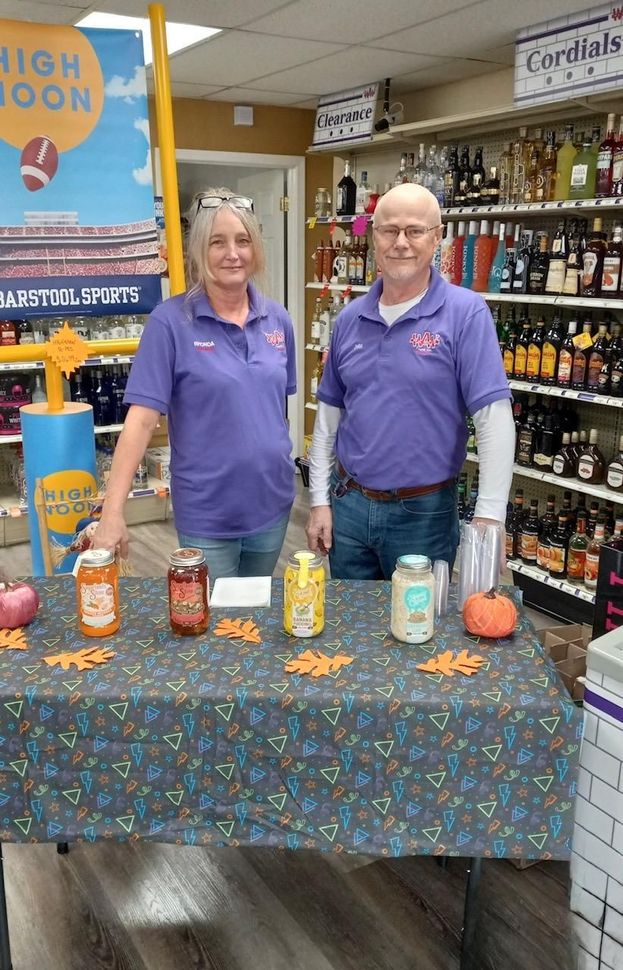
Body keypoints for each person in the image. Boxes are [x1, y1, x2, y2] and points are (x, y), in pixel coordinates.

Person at [305, 182, 515, 579]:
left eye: (415, 231)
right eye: (390, 230)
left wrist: (490, 515)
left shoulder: (465, 313)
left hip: (423, 515)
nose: (400, 242)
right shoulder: (350, 318)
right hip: (348, 506)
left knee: (418, 618)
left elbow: (494, 418)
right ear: (374, 237)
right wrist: (319, 500)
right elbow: (328, 419)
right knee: (349, 616)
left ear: (436, 238)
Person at [93, 188, 297, 579]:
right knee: (214, 614)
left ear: (256, 249)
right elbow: (140, 422)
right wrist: (112, 512)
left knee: (256, 610)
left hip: (272, 506)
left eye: (242, 241)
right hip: (208, 515)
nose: (232, 253)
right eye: (217, 242)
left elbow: (274, 411)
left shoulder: (278, 319)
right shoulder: (170, 322)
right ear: (199, 250)